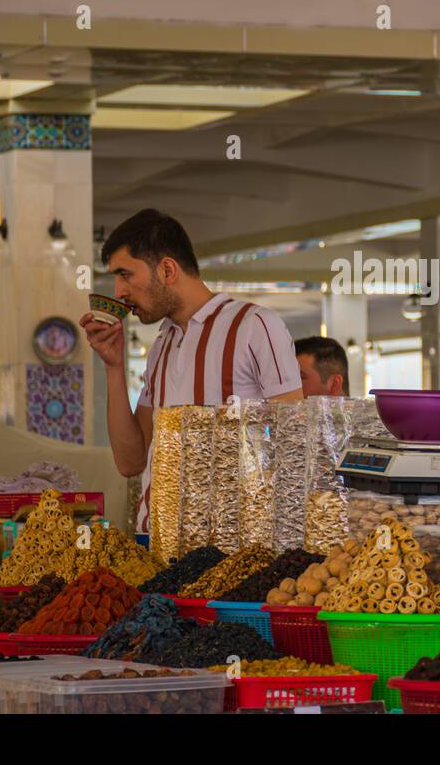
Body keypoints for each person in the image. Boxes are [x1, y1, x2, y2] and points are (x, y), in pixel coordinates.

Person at [80, 209, 303, 530]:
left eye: (125, 274)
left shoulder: (254, 325)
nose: (118, 292)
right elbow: (131, 462)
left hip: (231, 550)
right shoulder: (161, 345)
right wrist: (113, 367)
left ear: (167, 269)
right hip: (157, 547)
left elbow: (294, 443)